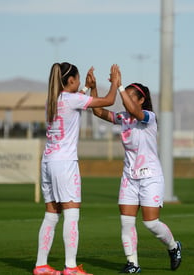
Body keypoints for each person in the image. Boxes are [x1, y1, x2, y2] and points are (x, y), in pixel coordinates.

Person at [33, 63, 120, 275]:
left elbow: (74, 101)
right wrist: (115, 83)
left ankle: (41, 265)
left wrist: (87, 88)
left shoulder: (52, 100)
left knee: (52, 215)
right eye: (78, 79)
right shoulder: (72, 100)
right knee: (71, 215)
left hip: (48, 161)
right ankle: (70, 267)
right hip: (65, 163)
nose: (81, 82)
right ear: (70, 80)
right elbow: (109, 101)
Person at [91, 75, 182, 273]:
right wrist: (93, 87)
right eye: (127, 97)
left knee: (151, 222)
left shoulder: (148, 117)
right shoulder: (123, 118)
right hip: (129, 177)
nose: (128, 101)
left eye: (132, 97)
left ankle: (173, 246)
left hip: (151, 177)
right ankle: (133, 263)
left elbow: (134, 110)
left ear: (141, 100)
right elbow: (98, 111)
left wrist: (119, 85)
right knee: (126, 221)